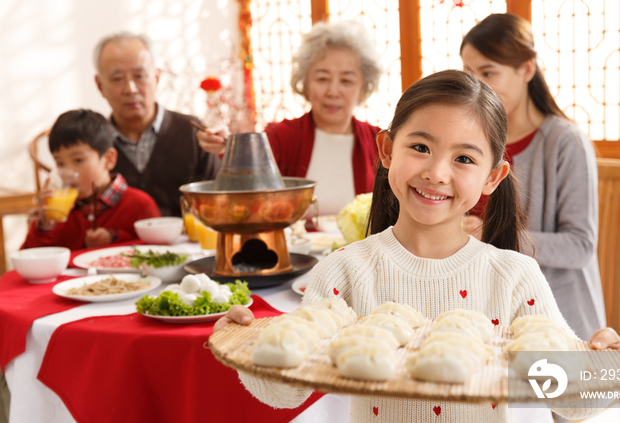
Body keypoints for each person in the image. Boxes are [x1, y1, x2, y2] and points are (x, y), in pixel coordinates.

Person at [214, 70, 620, 423]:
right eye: (420, 147)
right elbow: (286, 388)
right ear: (388, 150)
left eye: (464, 158)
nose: (436, 173)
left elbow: (564, 397)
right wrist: (248, 350)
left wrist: (605, 367)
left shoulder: (514, 277)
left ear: (493, 176)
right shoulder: (345, 271)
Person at [460, 13, 605, 341]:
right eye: (469, 73)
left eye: (488, 72)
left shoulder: (565, 142)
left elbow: (580, 246)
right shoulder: (474, 139)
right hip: (481, 306)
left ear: (526, 69)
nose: (478, 85)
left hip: (552, 316)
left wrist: (493, 234)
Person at [197, 20, 383, 216]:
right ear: (305, 83)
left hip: (363, 247)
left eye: (346, 81)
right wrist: (226, 143)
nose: (333, 91)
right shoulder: (282, 137)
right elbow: (248, 163)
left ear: (363, 88)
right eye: (322, 79)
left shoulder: (380, 142)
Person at [93, 32, 221, 217]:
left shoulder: (193, 133)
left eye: (139, 75)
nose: (131, 89)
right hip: (119, 246)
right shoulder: (92, 146)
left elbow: (219, 200)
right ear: (99, 85)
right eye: (117, 78)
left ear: (157, 78)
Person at [22, 109, 161, 250]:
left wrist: (115, 238)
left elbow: (159, 253)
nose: (68, 173)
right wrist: (43, 227)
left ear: (108, 159)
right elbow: (27, 263)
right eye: (60, 163)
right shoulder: (59, 215)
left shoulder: (140, 205)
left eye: (78, 160)